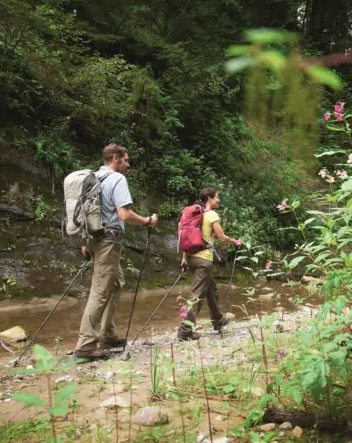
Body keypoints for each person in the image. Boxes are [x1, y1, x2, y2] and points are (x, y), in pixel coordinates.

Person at [74, 143, 158, 360]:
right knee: (100, 291)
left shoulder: (93, 179)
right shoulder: (117, 179)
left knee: (116, 283)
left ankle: (107, 334)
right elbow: (125, 214)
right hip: (109, 241)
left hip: (94, 239)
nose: (128, 164)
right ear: (115, 158)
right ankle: (85, 345)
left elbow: (84, 214)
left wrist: (85, 243)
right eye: (126, 160)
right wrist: (147, 220)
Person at [178, 188, 242, 341]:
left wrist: (184, 258)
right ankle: (185, 331)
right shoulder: (211, 214)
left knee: (211, 289)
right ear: (209, 198)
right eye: (217, 197)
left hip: (193, 258)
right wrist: (236, 242)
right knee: (196, 295)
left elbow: (187, 238)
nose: (218, 200)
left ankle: (218, 320)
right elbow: (222, 237)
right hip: (203, 260)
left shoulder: (196, 215)